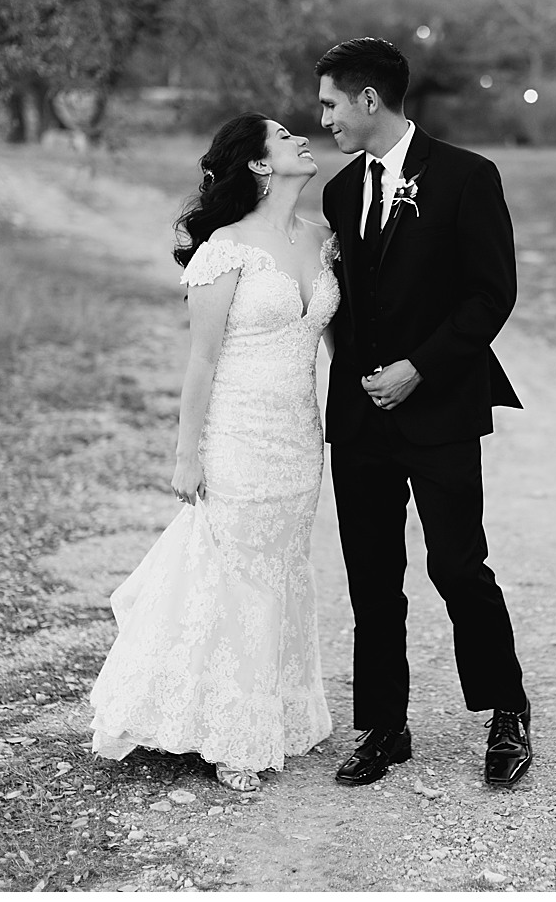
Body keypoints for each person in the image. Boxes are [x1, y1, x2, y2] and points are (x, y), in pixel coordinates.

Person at [89, 112, 336, 793]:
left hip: (299, 437)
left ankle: (276, 710)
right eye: (284, 137)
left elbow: (338, 340)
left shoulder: (322, 240)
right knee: (238, 570)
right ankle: (231, 732)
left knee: (282, 564)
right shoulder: (224, 249)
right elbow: (200, 360)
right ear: (258, 165)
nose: (300, 139)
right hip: (238, 432)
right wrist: (185, 455)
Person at [316, 37, 531, 788]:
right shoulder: (339, 193)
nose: (325, 117)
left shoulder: (469, 177)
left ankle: (507, 712)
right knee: (371, 575)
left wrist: (420, 368)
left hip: (438, 408)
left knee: (458, 564)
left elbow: (490, 294)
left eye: (331, 103)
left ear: (368, 100)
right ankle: (384, 725)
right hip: (359, 420)